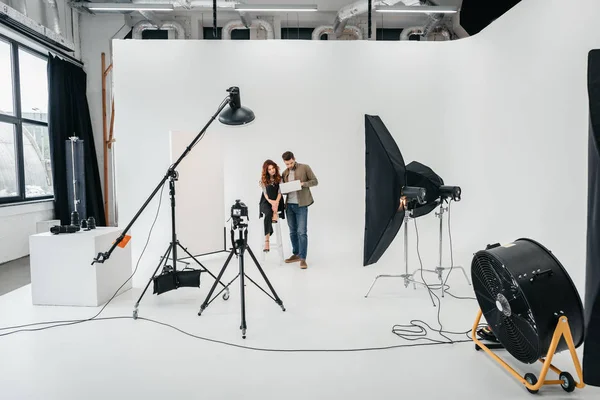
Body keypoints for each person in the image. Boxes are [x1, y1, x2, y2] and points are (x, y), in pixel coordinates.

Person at [281, 151, 318, 269]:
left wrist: (303, 184)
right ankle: (296, 254)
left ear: (294, 158)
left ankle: (303, 258)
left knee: (302, 232)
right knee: (292, 232)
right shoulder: (284, 173)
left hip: (301, 205)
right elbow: (284, 190)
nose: (289, 166)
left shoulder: (305, 167)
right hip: (289, 206)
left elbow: (315, 181)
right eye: (287, 164)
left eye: (291, 163)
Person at [259, 159, 285, 252]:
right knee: (268, 213)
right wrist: (271, 202)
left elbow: (280, 192)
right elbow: (265, 193)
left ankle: (275, 212)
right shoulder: (263, 180)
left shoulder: (280, 178)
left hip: (278, 199)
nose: (272, 170)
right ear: (266, 171)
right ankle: (267, 241)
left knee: (273, 209)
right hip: (266, 201)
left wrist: (276, 202)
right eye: (269, 169)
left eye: (273, 168)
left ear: (275, 168)